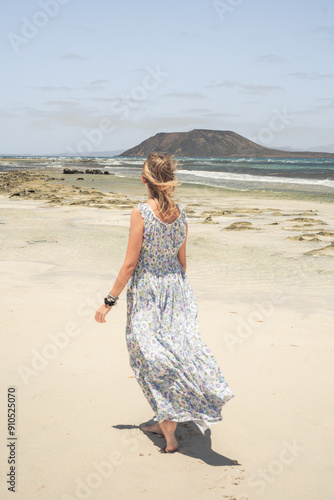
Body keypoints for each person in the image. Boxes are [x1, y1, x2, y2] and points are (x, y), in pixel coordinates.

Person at [94, 152, 235, 454]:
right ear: (169, 179)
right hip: (176, 289)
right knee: (174, 349)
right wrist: (175, 291)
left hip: (147, 290)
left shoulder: (140, 212)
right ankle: (166, 420)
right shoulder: (181, 213)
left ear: (144, 179)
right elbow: (182, 263)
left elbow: (131, 264)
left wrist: (109, 301)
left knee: (147, 352)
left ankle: (168, 423)